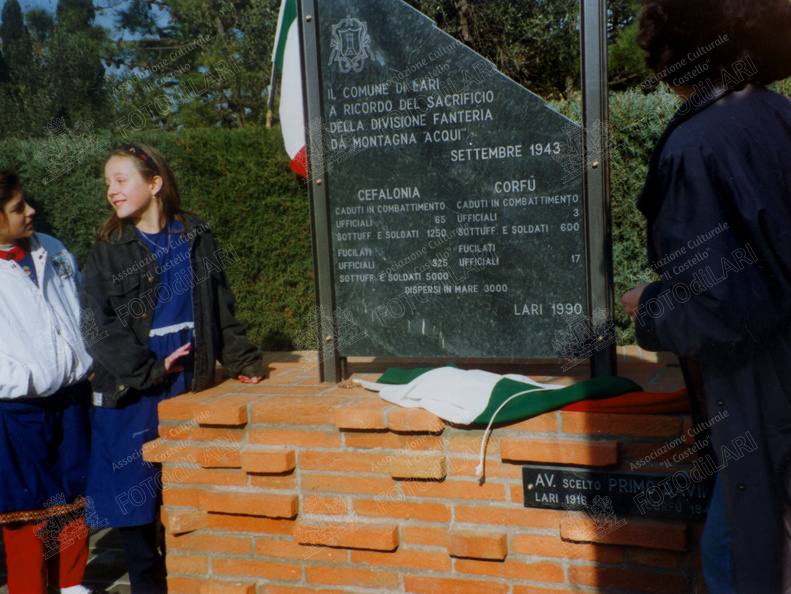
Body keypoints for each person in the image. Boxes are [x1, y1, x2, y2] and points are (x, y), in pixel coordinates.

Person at [620, 1, 791, 592]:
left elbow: (723, 309)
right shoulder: (780, 115)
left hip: (760, 400)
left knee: (744, 560)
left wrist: (652, 306)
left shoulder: (697, 145)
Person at [80, 144, 266, 594]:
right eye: (108, 183)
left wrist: (243, 361)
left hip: (188, 380)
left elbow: (221, 305)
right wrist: (147, 369)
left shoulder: (195, 234)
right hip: (134, 388)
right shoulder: (108, 250)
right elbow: (95, 325)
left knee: (184, 493)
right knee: (135, 506)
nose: (112, 191)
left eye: (121, 180)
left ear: (155, 183)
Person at [0, 171, 95, 594]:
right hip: (19, 407)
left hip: (72, 397)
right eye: (18, 208)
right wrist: (24, 379)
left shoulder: (52, 249)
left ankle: (73, 584)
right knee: (28, 512)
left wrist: (86, 357)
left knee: (76, 497)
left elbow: (79, 307)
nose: (30, 211)